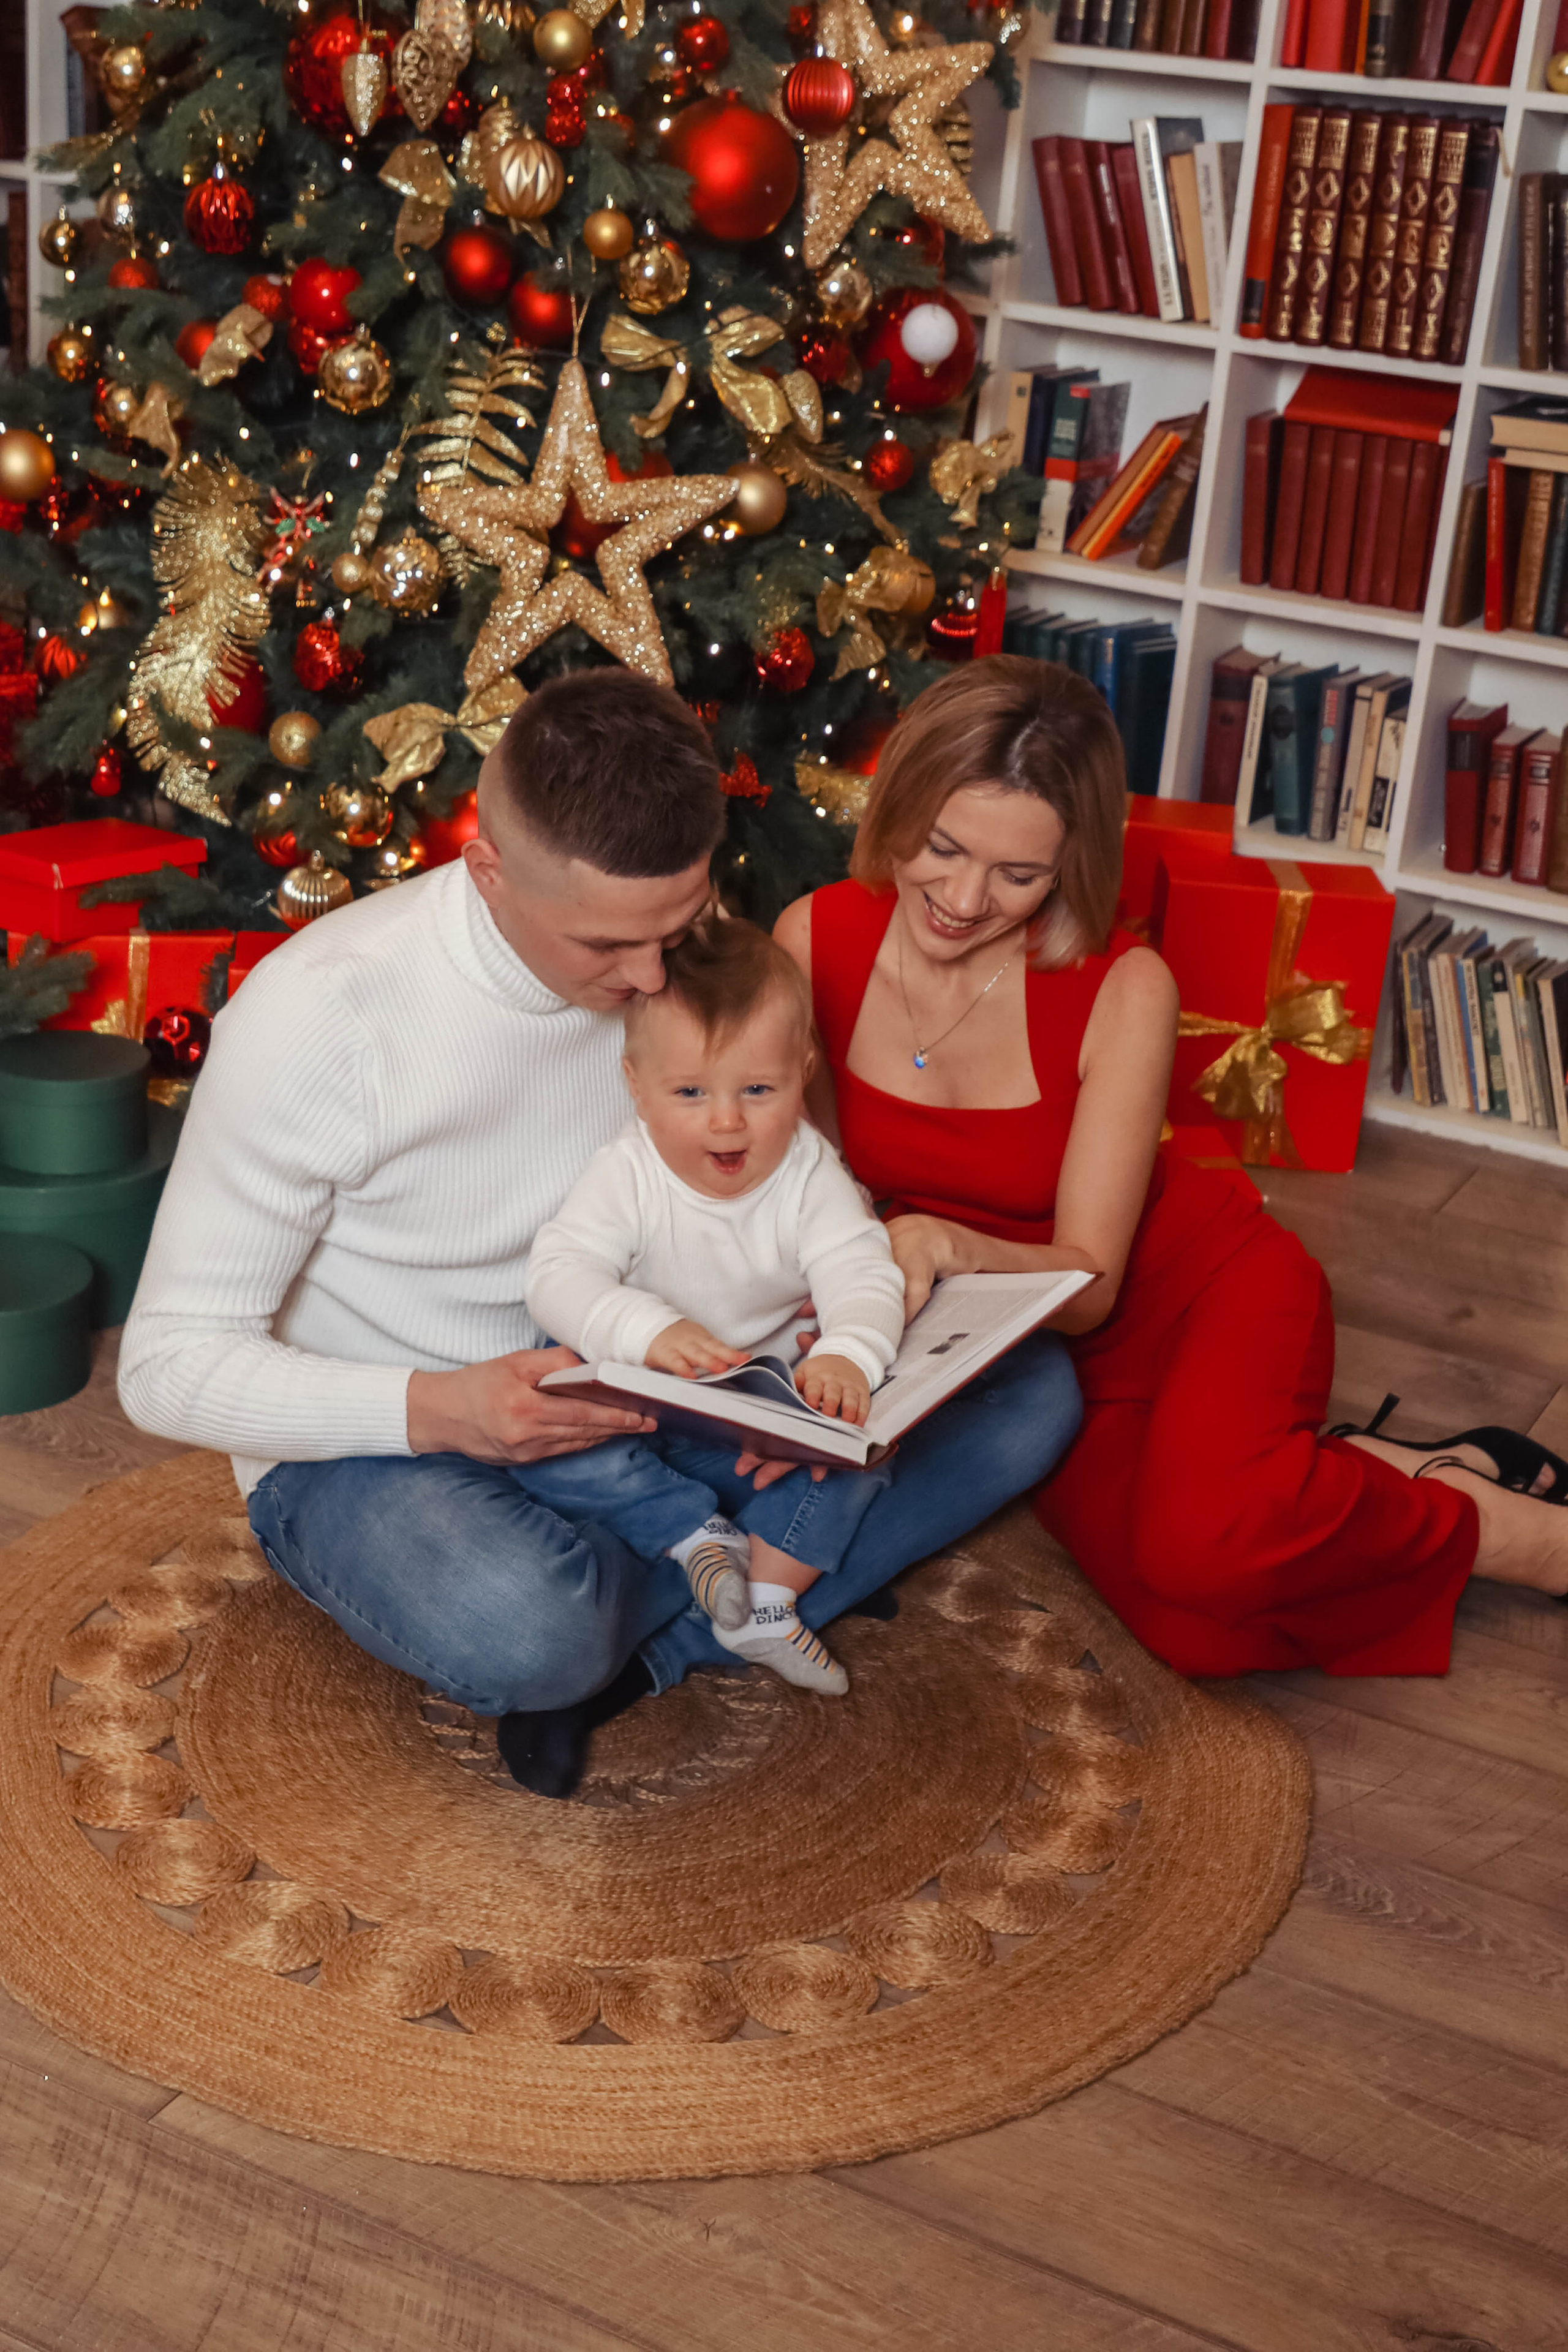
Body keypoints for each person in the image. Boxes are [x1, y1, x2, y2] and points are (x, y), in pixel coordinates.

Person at [117, 667, 1083, 1799]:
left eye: (677, 927)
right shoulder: (317, 1021)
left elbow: (784, 1184)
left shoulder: (675, 945)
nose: (650, 979)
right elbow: (166, 1368)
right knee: (527, 1626)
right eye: (605, 950)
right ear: (487, 869)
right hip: (398, 1433)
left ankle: (678, 1620)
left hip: (662, 1381)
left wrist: (797, 1371)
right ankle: (761, 1568)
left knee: (1033, 1394)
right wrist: (450, 1409)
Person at [778, 655, 1568, 1683]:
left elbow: (1091, 1288)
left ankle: (1527, 1541)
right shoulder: (814, 935)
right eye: (943, 848)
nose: (965, 900)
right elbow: (818, 1191)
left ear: (1073, 864)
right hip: (1021, 1363)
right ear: (900, 807)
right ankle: (1348, 1472)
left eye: (1020, 875)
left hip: (1183, 1293)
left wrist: (945, 1242)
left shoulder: (1125, 983)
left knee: (1208, 1547)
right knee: (1202, 1631)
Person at [524, 915, 908, 1697]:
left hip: (750, 1424)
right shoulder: (628, 1172)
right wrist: (649, 1328)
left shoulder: (807, 1172)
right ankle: (695, 1539)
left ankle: (763, 1605)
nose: (727, 1120)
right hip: (637, 1411)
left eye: (758, 1090)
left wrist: (848, 1353)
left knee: (864, 1456)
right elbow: (557, 1274)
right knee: (549, 1437)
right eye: (691, 1092)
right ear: (636, 1085)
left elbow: (861, 1269)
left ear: (802, 1072)